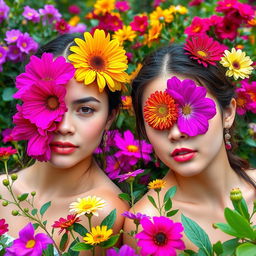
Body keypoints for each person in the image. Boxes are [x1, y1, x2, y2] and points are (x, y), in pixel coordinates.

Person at [0, 30, 129, 254]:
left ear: (110, 117)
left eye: (85, 109)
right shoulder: (2, 191)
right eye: (51, 104)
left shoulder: (105, 213)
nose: (63, 126)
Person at [124, 43, 256, 250]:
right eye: (160, 118)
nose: (176, 133)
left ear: (228, 113)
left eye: (188, 111)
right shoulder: (147, 226)